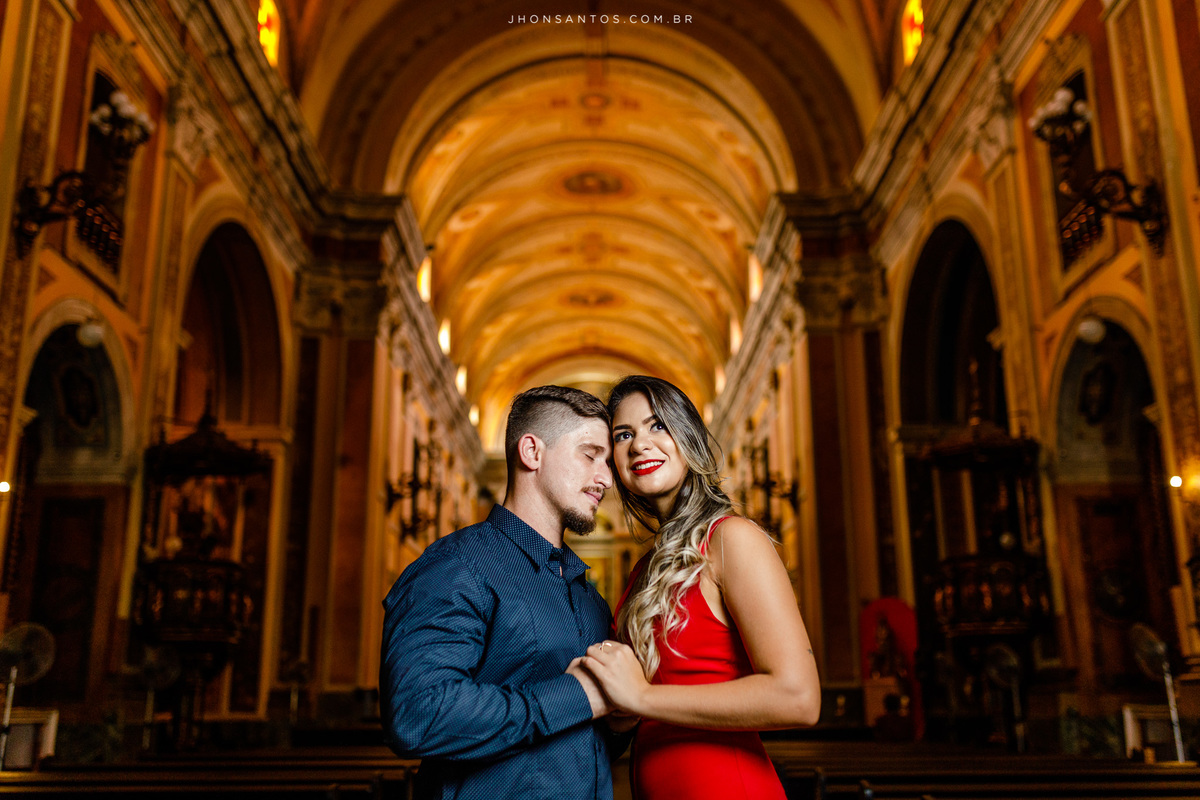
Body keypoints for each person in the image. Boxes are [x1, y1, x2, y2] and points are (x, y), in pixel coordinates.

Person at [380, 385, 629, 800]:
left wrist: (619, 721)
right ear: (532, 452)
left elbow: (583, 747)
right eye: (590, 455)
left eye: (607, 463)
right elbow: (417, 714)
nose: (605, 478)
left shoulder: (589, 599)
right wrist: (574, 695)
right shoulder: (456, 567)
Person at [580, 375, 821, 800]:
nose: (639, 445)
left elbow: (798, 698)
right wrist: (621, 711)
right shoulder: (644, 571)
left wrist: (641, 698)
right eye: (623, 435)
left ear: (687, 436)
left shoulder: (732, 539)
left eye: (658, 425)